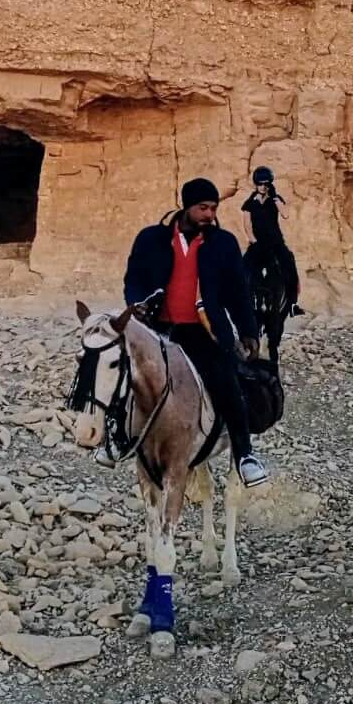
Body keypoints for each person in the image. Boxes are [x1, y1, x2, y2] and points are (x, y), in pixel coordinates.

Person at [123, 177, 271, 488]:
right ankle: (116, 440)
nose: (209, 214)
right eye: (203, 208)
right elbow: (134, 277)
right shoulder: (151, 239)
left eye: (213, 208)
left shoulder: (224, 244)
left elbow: (237, 292)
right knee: (123, 375)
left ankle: (245, 456)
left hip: (203, 331)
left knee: (227, 382)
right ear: (187, 206)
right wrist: (136, 303)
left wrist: (247, 331)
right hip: (159, 330)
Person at [241, 166, 303, 317]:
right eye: (260, 184)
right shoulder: (249, 203)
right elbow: (247, 226)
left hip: (276, 242)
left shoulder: (275, 199)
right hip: (257, 243)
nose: (263, 187)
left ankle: (293, 303)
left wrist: (275, 197)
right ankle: (240, 302)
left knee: (289, 262)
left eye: (266, 184)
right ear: (255, 184)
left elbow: (285, 214)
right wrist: (253, 241)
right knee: (243, 268)